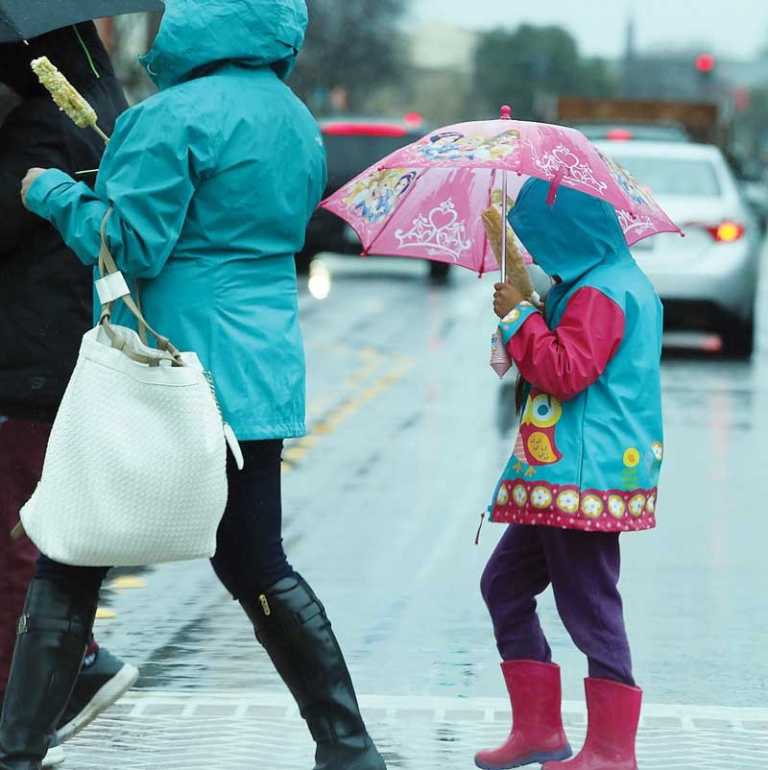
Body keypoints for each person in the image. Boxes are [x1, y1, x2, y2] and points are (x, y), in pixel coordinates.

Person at [0, 2, 387, 770]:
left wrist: (50, 191)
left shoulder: (168, 118)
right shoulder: (294, 120)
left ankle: (15, 751)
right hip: (257, 376)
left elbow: (127, 245)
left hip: (165, 369)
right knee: (256, 563)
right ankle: (347, 745)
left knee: (71, 557)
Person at [474, 177, 664, 770]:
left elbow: (564, 370)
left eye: (541, 240)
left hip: (583, 478)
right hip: (562, 477)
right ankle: (538, 731)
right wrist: (528, 302)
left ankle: (611, 749)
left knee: (590, 606)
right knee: (504, 584)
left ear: (568, 232)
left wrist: (519, 321)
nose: (538, 253)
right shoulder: (594, 283)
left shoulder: (603, 293)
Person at [0, 23, 139, 767]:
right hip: (54, 355)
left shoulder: (45, 127)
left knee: (18, 540)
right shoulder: (98, 112)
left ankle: (35, 701)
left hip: (31, 362)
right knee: (35, 533)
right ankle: (67, 671)